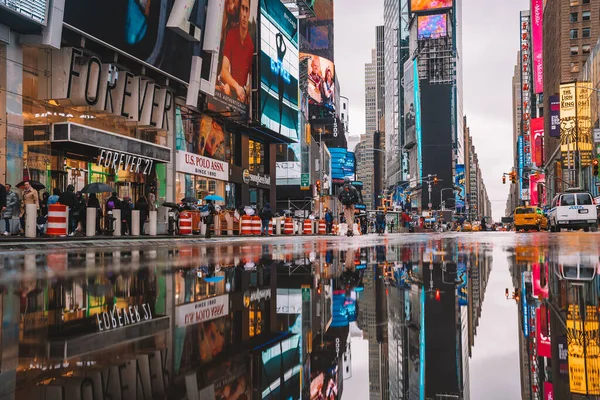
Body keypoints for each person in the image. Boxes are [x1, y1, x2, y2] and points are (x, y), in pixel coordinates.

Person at [219, 0, 254, 104]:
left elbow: (255, 80)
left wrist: (246, 90)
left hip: (241, 102)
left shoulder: (251, 46)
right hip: (228, 92)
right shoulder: (231, 34)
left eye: (246, 10)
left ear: (249, 12)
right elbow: (224, 71)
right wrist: (237, 87)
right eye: (242, 9)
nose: (244, 14)